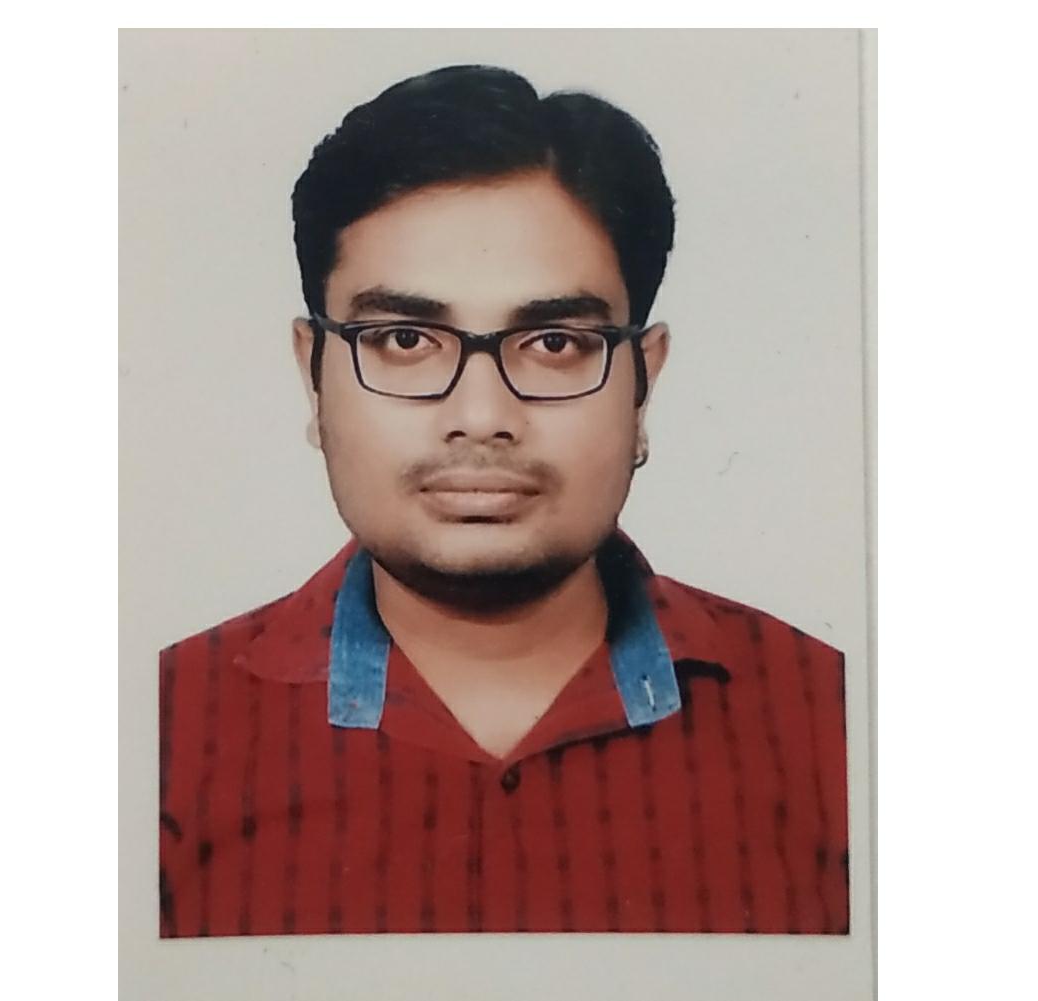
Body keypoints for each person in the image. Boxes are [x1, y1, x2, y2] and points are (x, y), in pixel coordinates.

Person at [158, 64, 849, 937]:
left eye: (554, 342)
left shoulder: (835, 725)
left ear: (643, 384)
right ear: (314, 375)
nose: (482, 416)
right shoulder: (156, 739)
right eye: (403, 338)